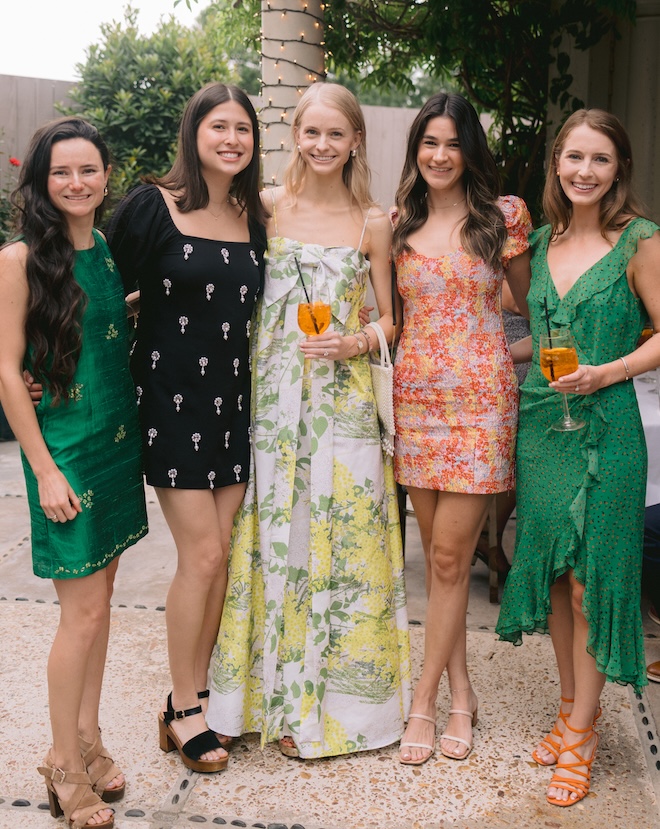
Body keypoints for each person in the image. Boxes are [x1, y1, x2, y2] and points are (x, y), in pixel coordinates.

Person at [206, 82, 411, 759]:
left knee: (339, 545)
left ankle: (331, 711)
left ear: (355, 140)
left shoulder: (372, 221)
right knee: (273, 543)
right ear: (294, 135)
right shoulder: (265, 207)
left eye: (336, 134)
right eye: (311, 132)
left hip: (344, 406)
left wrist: (354, 341)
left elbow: (391, 319)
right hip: (272, 403)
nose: (322, 145)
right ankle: (258, 702)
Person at [496, 109, 660, 806]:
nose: (584, 171)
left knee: (595, 580)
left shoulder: (641, 241)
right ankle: (568, 707)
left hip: (609, 423)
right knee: (561, 576)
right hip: (543, 425)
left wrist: (608, 370)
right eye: (573, 157)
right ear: (555, 164)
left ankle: (585, 733)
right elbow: (531, 323)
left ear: (618, 167)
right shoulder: (540, 239)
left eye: (599, 159)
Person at [106, 83, 268, 773]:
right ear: (193, 132)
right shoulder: (152, 204)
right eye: (218, 126)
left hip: (235, 402)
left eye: (243, 129)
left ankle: (197, 694)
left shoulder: (253, 212)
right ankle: (182, 708)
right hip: (170, 400)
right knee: (201, 555)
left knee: (222, 557)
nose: (231, 139)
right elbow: (96, 281)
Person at [0, 117, 148, 828]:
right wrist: (43, 469)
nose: (76, 182)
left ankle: (88, 735)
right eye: (62, 171)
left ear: (106, 175)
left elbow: (93, 324)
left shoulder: (107, 249)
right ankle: (62, 761)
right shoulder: (19, 257)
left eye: (88, 170)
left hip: (115, 445)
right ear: (41, 179)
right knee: (80, 613)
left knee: (102, 601)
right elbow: (5, 368)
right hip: (64, 453)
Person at [392, 92, 532, 764]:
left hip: (480, 406)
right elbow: (385, 319)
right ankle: (463, 692)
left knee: (449, 560)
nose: (440, 155)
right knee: (441, 567)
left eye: (452, 143)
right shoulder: (395, 226)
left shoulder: (502, 219)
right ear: (416, 149)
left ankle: (424, 703)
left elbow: (536, 308)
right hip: (415, 404)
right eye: (429, 142)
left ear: (468, 149)